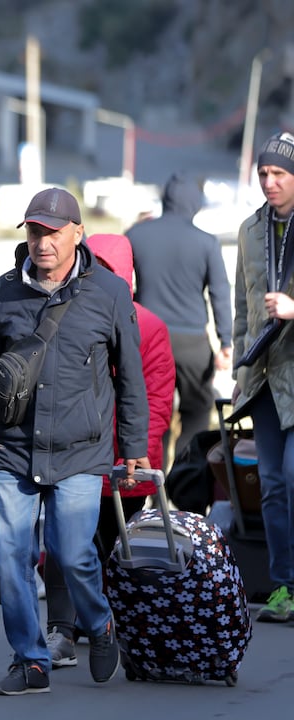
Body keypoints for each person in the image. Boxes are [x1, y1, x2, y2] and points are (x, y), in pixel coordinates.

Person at [0, 187, 149, 696]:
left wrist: (134, 447)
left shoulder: (108, 292)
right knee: (14, 555)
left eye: (53, 232)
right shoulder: (4, 292)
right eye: (35, 231)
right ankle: (31, 661)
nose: (42, 242)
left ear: (76, 234)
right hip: (16, 449)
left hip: (82, 449)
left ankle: (100, 623)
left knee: (72, 551)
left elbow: (129, 378)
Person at [41, 232, 175, 667]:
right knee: (62, 547)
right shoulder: (59, 315)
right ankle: (62, 629)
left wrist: (140, 455)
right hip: (73, 456)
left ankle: (121, 628)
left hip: (123, 463)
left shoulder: (149, 327)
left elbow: (155, 399)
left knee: (122, 554)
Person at [125, 172, 232, 462]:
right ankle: (183, 487)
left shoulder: (136, 235)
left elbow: (118, 281)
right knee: (196, 414)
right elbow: (219, 294)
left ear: (165, 199)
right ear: (195, 203)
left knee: (150, 414)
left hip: (145, 340)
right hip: (192, 343)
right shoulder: (207, 242)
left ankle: (148, 487)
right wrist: (226, 342)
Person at [232, 131, 294, 623]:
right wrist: (238, 367)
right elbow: (241, 309)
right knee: (271, 482)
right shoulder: (250, 230)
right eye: (263, 174)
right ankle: (284, 586)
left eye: (279, 173)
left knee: (293, 477)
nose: (269, 182)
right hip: (265, 377)